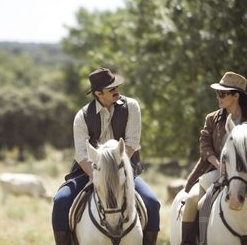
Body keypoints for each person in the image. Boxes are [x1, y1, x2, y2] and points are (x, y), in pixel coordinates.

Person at [52, 67, 160, 245]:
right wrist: (99, 176)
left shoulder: (132, 107)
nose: (117, 91)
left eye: (117, 86)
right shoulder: (82, 116)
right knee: (60, 201)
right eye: (112, 89)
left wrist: (115, 170)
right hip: (89, 172)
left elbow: (132, 142)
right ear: (98, 93)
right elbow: (81, 154)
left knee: (152, 202)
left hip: (124, 170)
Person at [181, 71, 247, 245]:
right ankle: (188, 242)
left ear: (236, 96)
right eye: (217, 93)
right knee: (192, 199)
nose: (218, 97)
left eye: (222, 93)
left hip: (244, 174)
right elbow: (205, 145)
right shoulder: (212, 118)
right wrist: (218, 164)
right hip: (215, 171)